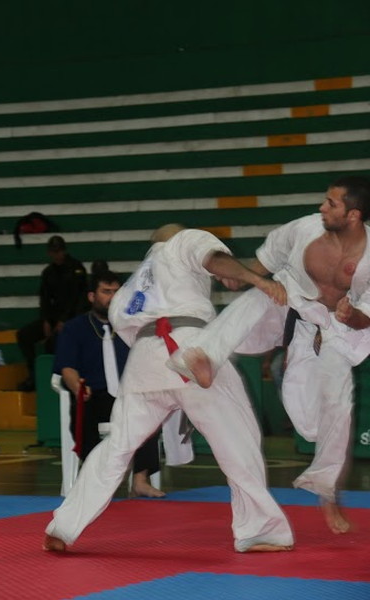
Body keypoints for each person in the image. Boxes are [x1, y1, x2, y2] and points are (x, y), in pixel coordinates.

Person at [43, 223, 294, 553]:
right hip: (189, 346)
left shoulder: (132, 288)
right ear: (175, 235)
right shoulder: (182, 242)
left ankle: (63, 525)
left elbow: (126, 333)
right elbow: (214, 260)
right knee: (238, 441)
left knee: (116, 447)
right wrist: (257, 279)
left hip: (144, 361)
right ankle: (261, 531)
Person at [167, 175, 370, 535]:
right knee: (259, 296)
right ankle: (204, 356)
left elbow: (365, 318)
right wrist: (246, 277)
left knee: (328, 412)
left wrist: (350, 315)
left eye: (331, 203)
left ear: (353, 215)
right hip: (290, 304)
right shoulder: (304, 230)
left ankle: (325, 489)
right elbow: (267, 259)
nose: (322, 207)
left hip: (336, 332)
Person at [54, 269, 164, 497]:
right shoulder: (74, 328)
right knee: (86, 414)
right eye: (106, 292)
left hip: (128, 393)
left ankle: (140, 479)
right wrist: (77, 387)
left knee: (151, 411)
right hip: (93, 394)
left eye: (116, 292)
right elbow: (66, 368)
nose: (112, 297)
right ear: (91, 296)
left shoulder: (132, 326)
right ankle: (99, 479)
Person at [17, 235, 87, 391]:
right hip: (53, 318)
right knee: (24, 335)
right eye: (54, 251)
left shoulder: (76, 269)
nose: (57, 255)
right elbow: (45, 298)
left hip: (72, 319)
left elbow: (78, 299)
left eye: (59, 251)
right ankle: (34, 375)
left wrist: (65, 320)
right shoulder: (49, 272)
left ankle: (56, 378)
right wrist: (46, 320)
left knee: (54, 342)